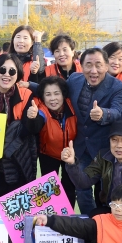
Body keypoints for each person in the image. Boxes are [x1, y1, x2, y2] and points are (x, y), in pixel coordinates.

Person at [66, 48, 122, 215]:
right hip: (81, 147)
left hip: (105, 149)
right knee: (82, 190)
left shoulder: (118, 87)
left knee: (107, 191)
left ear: (107, 66)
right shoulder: (74, 79)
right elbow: (54, 90)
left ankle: (106, 224)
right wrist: (29, 85)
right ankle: (90, 221)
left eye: (98, 65)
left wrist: (103, 114)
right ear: (81, 65)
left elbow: (118, 111)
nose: (93, 71)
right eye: (88, 65)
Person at [0, 54, 43, 202]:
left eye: (12, 71)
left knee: (22, 203)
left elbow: (33, 129)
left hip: (21, 156)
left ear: (18, 75)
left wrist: (32, 118)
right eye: (2, 70)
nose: (6, 75)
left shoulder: (26, 94)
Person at [34, 76, 79, 208]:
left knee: (69, 188)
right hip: (47, 154)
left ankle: (68, 219)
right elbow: (35, 124)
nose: (53, 98)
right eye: (48, 94)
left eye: (56, 93)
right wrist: (32, 118)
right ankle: (48, 218)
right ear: (43, 96)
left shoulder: (72, 105)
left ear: (63, 94)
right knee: (48, 189)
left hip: (70, 154)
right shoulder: (41, 110)